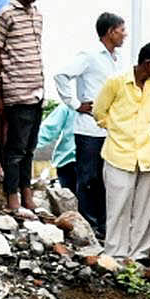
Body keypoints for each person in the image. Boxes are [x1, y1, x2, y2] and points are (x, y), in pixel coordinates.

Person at [0, 0, 51, 214]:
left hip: (36, 89)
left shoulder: (37, 16)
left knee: (30, 147)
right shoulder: (6, 14)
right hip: (16, 88)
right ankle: (12, 196)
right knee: (15, 148)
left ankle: (26, 193)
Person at [93, 42, 150, 262]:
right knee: (118, 206)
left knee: (145, 210)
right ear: (147, 63)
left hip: (147, 156)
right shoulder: (116, 82)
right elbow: (99, 112)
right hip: (118, 153)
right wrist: (116, 129)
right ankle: (115, 254)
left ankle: (138, 256)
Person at [53, 13, 126, 228]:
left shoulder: (118, 60)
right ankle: (89, 223)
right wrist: (75, 104)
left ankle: (104, 224)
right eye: (122, 30)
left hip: (111, 129)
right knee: (88, 178)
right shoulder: (90, 55)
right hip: (89, 128)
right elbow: (61, 75)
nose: (125, 34)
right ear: (111, 31)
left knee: (107, 179)